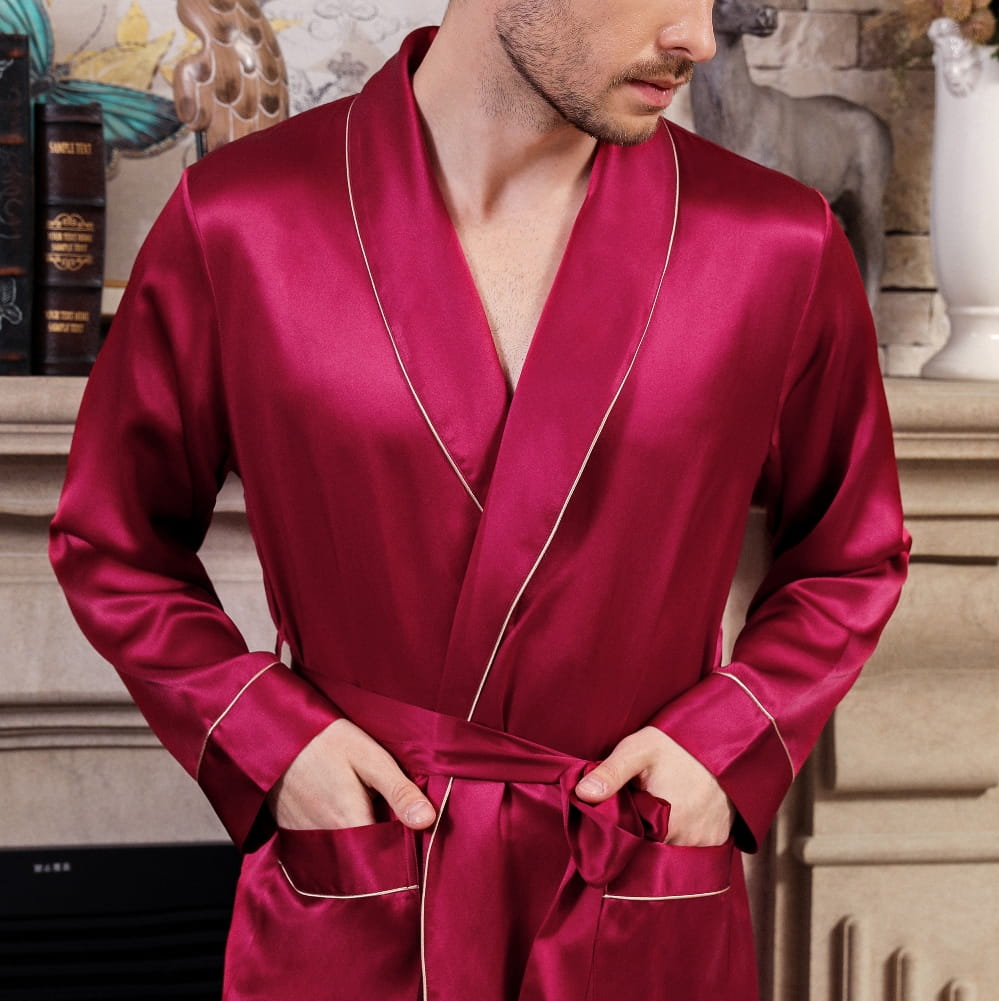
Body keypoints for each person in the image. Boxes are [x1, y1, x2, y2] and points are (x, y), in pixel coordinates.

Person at [49, 1, 910, 999]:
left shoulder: (775, 242)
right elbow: (113, 538)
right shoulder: (241, 219)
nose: (698, 40)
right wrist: (275, 742)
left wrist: (721, 748)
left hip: (630, 874)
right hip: (362, 874)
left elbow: (852, 552)